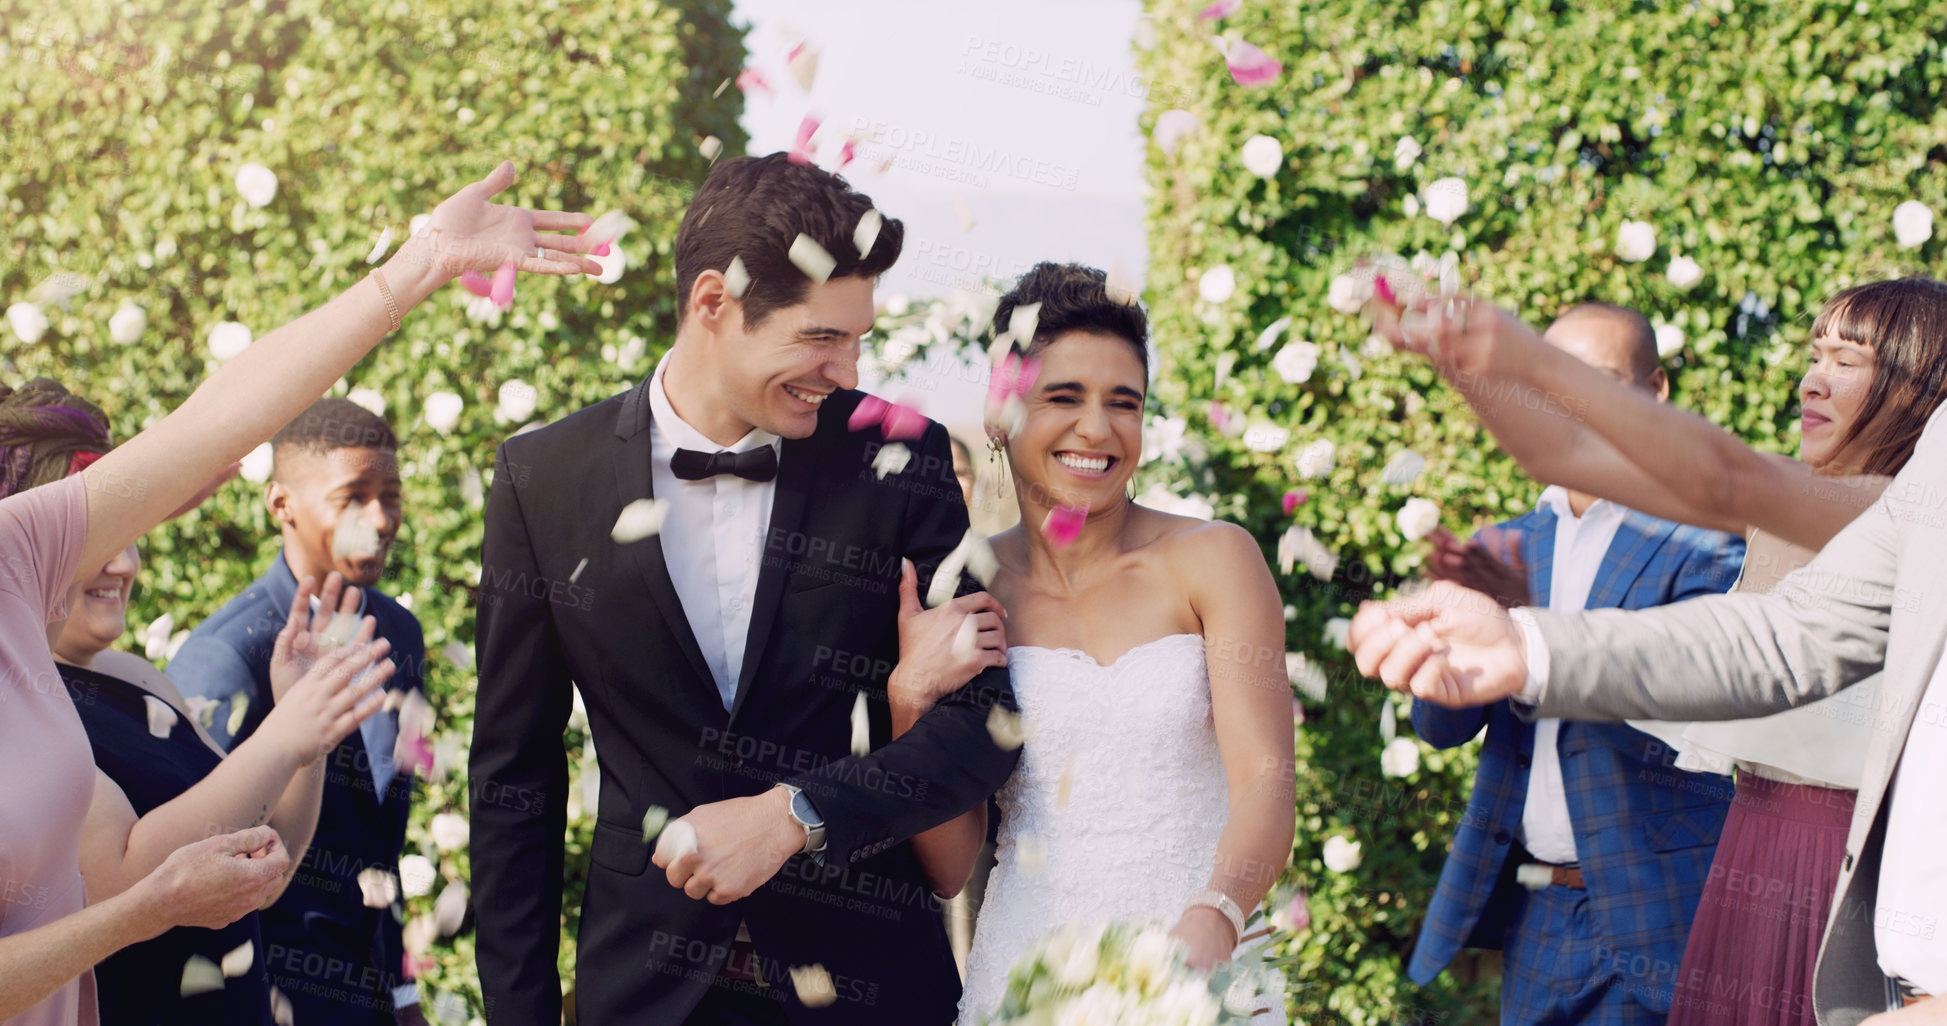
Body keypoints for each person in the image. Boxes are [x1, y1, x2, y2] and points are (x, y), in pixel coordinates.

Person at [0, 160, 600, 1026]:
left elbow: (215, 424)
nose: (117, 560)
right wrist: (144, 906)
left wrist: (423, 261)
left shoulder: (17, 553)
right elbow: (130, 884)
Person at [470, 152, 1021, 1026]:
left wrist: (798, 815)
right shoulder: (541, 477)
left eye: (855, 340)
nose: (844, 372)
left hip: (869, 986)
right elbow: (515, 779)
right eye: (819, 337)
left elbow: (982, 728)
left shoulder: (903, 457)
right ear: (713, 304)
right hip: (643, 995)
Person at [1347, 288, 1947, 1026]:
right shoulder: (1838, 509)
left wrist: (1520, 357)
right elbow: (1578, 459)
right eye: (1812, 355)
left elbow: (1720, 483)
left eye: (1845, 360)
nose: (1811, 380)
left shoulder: (1861, 510)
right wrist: (1522, 639)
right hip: (1739, 861)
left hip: (1828, 882)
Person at [880, 263, 1296, 1025]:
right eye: (1063, 398)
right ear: (1003, 412)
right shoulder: (967, 589)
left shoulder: (1215, 560)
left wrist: (1218, 911)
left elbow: (1266, 779)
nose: (1097, 429)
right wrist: (908, 699)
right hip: (1027, 979)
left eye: (1123, 403)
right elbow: (947, 868)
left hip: (1199, 971)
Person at [1403, 305, 1746, 1025]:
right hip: (1536, 915)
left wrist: (1526, 638)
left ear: (1652, 393)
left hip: (1657, 912)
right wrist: (1438, 653)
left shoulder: (1706, 542)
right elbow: (1438, 730)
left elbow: (1697, 710)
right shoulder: (1499, 547)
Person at [171, 398, 427, 1026]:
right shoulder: (226, 655)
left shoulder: (399, 630)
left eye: (390, 495)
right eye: (353, 497)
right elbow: (195, 873)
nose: (381, 518)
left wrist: (403, 994)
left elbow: (380, 840)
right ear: (281, 503)